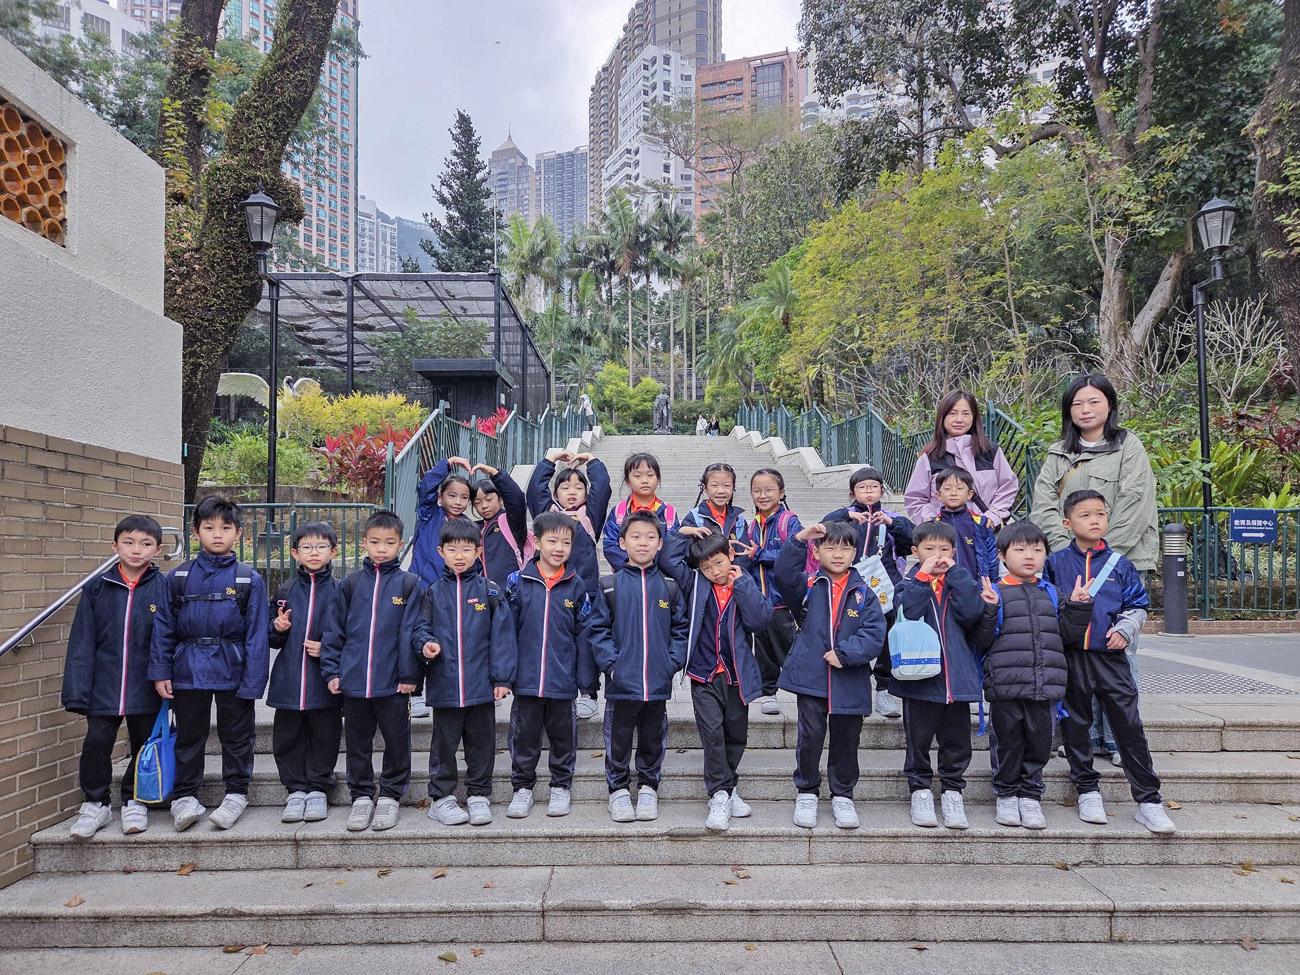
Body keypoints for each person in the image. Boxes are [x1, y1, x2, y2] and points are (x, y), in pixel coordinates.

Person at [1029, 373, 1158, 763]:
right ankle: (1082, 738)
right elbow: (1043, 505)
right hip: (1071, 566)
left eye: (1094, 401)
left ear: (1109, 405)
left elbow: (1135, 503)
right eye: (1077, 404)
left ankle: (1118, 740)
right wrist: (1070, 552)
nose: (1085, 410)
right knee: (1077, 655)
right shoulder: (1058, 454)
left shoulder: (1128, 446)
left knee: (1118, 650)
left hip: (1122, 561)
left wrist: (1103, 556)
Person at [1043, 489, 1176, 835]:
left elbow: (1138, 605)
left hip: (1112, 658)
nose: (1094, 520)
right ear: (1067, 523)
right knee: (1076, 725)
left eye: (1100, 514)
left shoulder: (1121, 564)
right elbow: (1045, 605)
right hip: (1072, 657)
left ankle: (1148, 800)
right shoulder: (1055, 563)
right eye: (1085, 515)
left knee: (1129, 725)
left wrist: (1125, 629)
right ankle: (1087, 790)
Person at [149, 496, 269, 833]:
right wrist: (160, 671)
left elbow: (257, 635)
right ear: (195, 531)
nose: (217, 534)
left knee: (237, 736)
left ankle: (236, 794)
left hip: (233, 669)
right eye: (209, 527)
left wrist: (253, 681)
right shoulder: (178, 577)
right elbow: (163, 628)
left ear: (239, 533)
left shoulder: (248, 579)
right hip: (187, 669)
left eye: (225, 528)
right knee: (189, 736)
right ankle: (185, 796)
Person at [973, 521, 1091, 830]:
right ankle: (1006, 794)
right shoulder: (995, 592)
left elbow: (1067, 635)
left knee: (1040, 743)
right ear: (1002, 555)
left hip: (1045, 685)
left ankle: (1030, 795)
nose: (1029, 556)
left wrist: (1078, 607)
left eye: (1037, 550)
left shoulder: (1051, 593)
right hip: (1006, 686)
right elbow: (981, 639)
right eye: (1021, 549)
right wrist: (988, 609)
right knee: (1007, 742)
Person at [773, 520, 886, 830]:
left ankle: (843, 795)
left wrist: (845, 654)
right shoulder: (808, 585)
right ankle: (807, 791)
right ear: (817, 551)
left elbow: (875, 633)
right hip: (811, 677)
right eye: (831, 547)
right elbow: (782, 574)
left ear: (854, 553)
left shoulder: (865, 592)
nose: (838, 554)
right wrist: (799, 539)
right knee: (809, 737)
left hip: (850, 679)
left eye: (845, 548)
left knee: (847, 739)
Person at [62, 515, 168, 838]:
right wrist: (78, 690)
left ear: (157, 549)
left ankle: (135, 800)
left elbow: (168, 637)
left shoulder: (163, 587)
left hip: (146, 684)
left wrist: (165, 674)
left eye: (146, 544)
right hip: (104, 685)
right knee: (97, 742)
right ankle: (96, 803)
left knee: (142, 743)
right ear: (115, 545)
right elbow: (82, 640)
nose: (136, 550)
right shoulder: (97, 587)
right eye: (128, 542)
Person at [660, 530, 772, 831]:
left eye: (719, 563)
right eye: (706, 567)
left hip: (736, 674)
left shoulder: (743, 582)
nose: (714, 571)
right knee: (712, 733)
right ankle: (719, 793)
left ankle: (728, 787)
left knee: (736, 734)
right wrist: (680, 533)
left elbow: (760, 620)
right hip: (704, 673)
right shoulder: (695, 583)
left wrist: (742, 585)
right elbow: (668, 558)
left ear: (731, 556)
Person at [320, 510, 424, 833]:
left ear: (400, 545)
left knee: (397, 740)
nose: (382, 548)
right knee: (357, 742)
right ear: (364, 542)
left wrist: (410, 676)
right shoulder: (350, 584)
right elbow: (334, 631)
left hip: (393, 684)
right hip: (354, 683)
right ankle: (362, 796)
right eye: (375, 542)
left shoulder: (409, 584)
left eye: (389, 543)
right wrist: (332, 671)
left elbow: (413, 632)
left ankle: (391, 795)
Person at [588, 511, 689, 824]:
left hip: (657, 682)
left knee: (652, 738)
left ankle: (648, 787)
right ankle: (618, 790)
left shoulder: (669, 587)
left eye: (650, 537)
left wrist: (671, 662)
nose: (642, 542)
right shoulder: (610, 586)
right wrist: (612, 665)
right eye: (635, 536)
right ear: (622, 543)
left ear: (660, 544)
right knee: (618, 739)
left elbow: (681, 630)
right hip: (622, 683)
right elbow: (598, 630)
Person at [414, 517, 517, 827]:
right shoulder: (433, 592)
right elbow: (420, 628)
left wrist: (502, 678)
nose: (459, 556)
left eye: (466, 549)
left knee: (481, 743)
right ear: (440, 552)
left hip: (480, 685)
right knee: (443, 744)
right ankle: (441, 798)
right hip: (445, 684)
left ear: (478, 551)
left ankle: (479, 794)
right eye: (452, 549)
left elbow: (503, 637)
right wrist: (426, 645)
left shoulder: (490, 591)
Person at [892, 521, 985, 831]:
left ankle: (952, 791)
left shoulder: (960, 582)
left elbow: (972, 613)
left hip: (956, 676)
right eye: (929, 549)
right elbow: (909, 611)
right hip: (919, 677)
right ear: (915, 551)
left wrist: (957, 575)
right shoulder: (908, 583)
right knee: (918, 739)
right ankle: (919, 789)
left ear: (954, 553)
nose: (937, 555)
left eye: (944, 549)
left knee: (957, 740)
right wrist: (922, 577)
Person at [503, 512, 593, 819]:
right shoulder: (517, 582)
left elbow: (584, 634)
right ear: (537, 542)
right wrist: (505, 674)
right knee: (524, 736)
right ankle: (522, 788)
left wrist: (585, 680)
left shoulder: (576, 585)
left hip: (562, 679)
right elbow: (506, 631)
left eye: (566, 543)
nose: (559, 548)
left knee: (563, 737)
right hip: (526, 678)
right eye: (552, 541)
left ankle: (560, 786)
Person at [821, 466, 915, 719]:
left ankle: (884, 688)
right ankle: (852, 682)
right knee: (850, 631)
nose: (869, 492)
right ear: (853, 493)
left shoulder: (891, 518)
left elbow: (913, 541)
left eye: (874, 487)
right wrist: (846, 515)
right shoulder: (846, 516)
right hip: (851, 584)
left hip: (885, 585)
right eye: (862, 487)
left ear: (882, 491)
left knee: (886, 633)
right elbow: (823, 529)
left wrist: (893, 524)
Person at [267, 521, 344, 824]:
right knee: (287, 737)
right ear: (294, 552)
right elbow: (270, 639)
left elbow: (351, 634)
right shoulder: (285, 590)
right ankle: (295, 789)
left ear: (333, 551)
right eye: (307, 547)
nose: (314, 552)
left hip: (324, 681)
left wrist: (328, 649)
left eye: (321, 546)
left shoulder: (340, 590)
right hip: (289, 679)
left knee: (325, 735)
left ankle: (318, 789)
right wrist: (278, 627)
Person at [527, 449, 612, 720]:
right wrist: (549, 461)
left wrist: (593, 461)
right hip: (550, 589)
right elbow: (534, 490)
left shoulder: (590, 515)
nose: (572, 492)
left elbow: (603, 487)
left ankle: (588, 693)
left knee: (586, 641)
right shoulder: (547, 515)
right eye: (565, 487)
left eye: (578, 487)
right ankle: (552, 687)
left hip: (585, 590)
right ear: (556, 493)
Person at [408, 456, 475, 719]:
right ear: (441, 496)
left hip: (450, 591)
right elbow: (425, 486)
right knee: (418, 638)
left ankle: (446, 689)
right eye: (452, 495)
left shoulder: (467, 526)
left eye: (464, 497)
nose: (458, 502)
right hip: (423, 587)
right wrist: (448, 463)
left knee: (445, 641)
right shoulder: (429, 515)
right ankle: (416, 694)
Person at [904, 390, 1019, 528]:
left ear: (974, 417)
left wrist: (993, 516)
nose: (959, 419)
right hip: (946, 537)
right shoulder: (930, 457)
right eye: (953, 413)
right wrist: (934, 522)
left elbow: (1008, 487)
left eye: (966, 414)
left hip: (986, 533)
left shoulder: (990, 452)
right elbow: (915, 499)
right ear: (942, 417)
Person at [744, 469, 803, 716]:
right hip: (760, 602)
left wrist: (759, 554)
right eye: (757, 491)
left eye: (769, 490)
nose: (763, 495)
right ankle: (768, 693)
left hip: (783, 602)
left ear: (782, 492)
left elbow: (792, 556)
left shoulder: (789, 521)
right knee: (764, 649)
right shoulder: (751, 525)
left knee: (792, 648)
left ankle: (806, 689)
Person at [601, 453, 678, 573]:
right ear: (627, 481)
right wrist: (632, 568)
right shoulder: (618, 512)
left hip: (659, 576)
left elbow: (673, 547)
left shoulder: (669, 512)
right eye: (637, 476)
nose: (644, 480)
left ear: (658, 478)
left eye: (650, 475)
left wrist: (653, 570)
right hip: (626, 576)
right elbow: (610, 545)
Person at [929, 466, 999, 582]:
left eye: (960, 488)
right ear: (938, 495)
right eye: (947, 489)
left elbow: (992, 556)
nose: (953, 493)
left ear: (970, 494)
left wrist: (991, 583)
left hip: (975, 585)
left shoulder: (980, 523)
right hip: (942, 585)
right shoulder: (933, 526)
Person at [469, 462, 531, 588]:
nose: (484, 506)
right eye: (477, 502)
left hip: (511, 592)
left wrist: (495, 474)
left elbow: (516, 498)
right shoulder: (476, 529)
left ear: (500, 499)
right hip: (486, 593)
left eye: (488, 499)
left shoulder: (510, 521)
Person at [677, 461, 751, 556]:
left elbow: (744, 553)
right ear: (704, 488)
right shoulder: (694, 517)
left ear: (733, 488)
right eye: (714, 485)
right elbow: (686, 554)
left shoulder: (739, 520)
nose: (721, 491)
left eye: (727, 486)